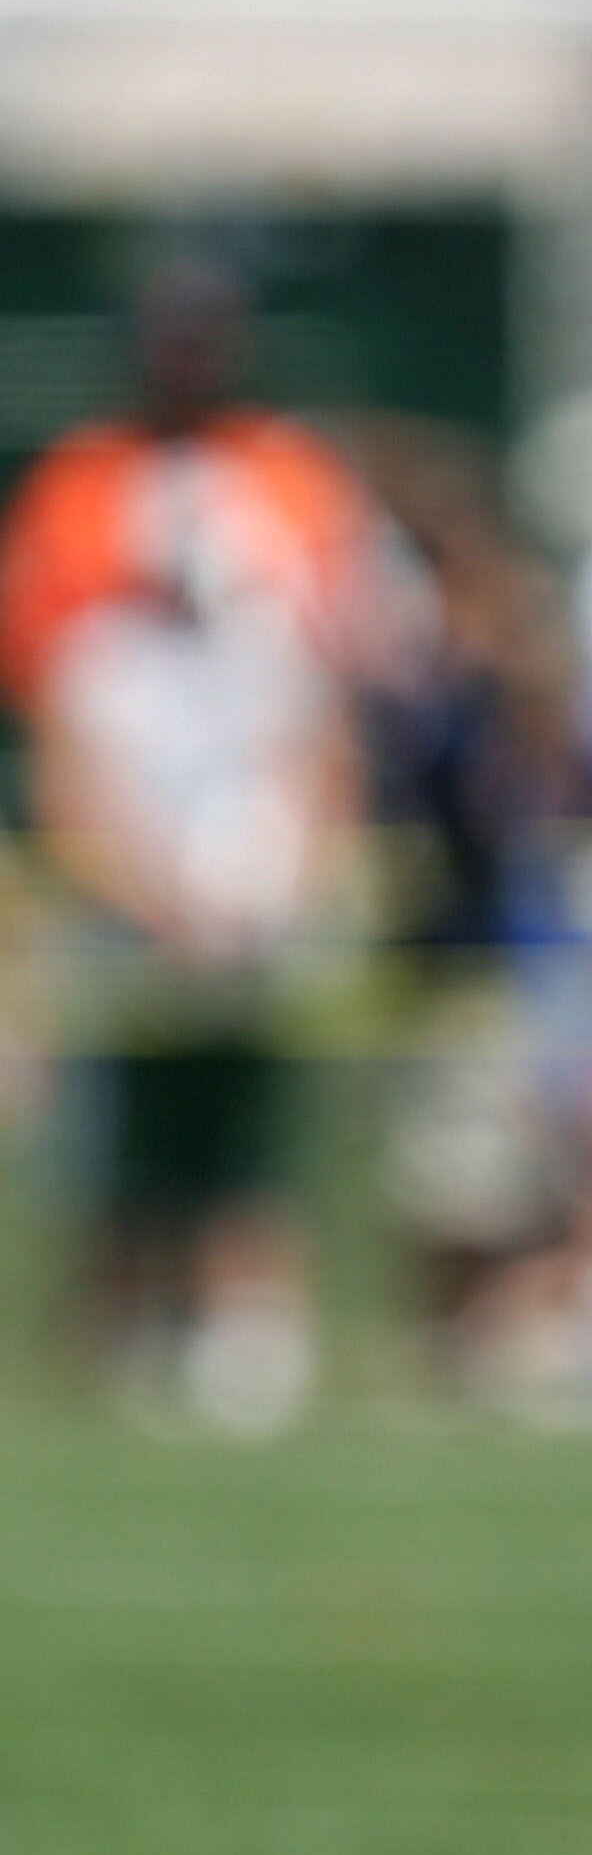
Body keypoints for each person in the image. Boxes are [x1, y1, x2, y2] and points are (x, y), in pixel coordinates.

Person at [0, 257, 389, 1423]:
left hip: (256, 851)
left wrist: (299, 847)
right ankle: (123, 1328)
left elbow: (329, 685)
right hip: (131, 850)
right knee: (122, 1118)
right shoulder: (80, 484)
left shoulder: (292, 477)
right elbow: (60, 701)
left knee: (256, 1111)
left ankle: (247, 1327)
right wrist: (127, 871)